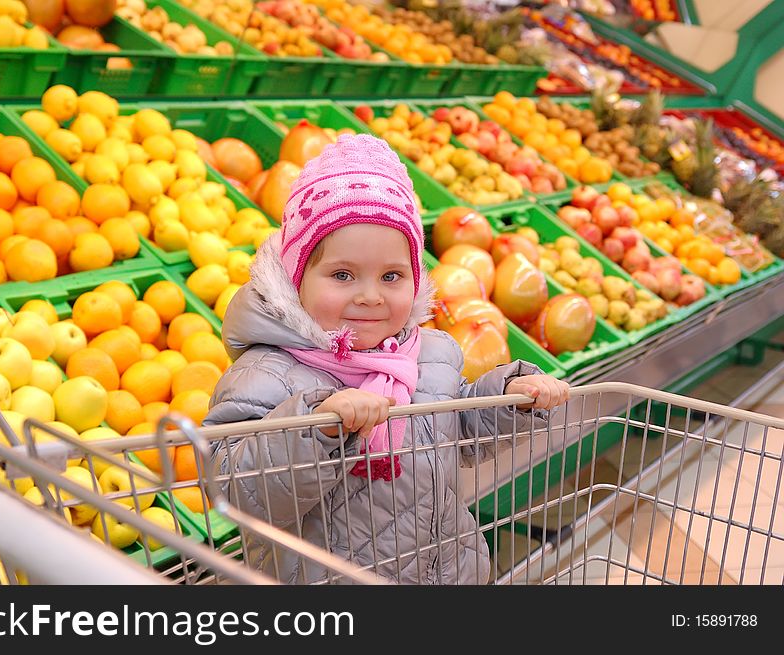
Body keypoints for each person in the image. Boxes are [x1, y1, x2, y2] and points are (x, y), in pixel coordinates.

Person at [202, 134, 569, 584]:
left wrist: (510, 399)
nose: (371, 296)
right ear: (297, 277)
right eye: (342, 275)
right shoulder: (267, 374)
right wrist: (317, 429)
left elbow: (459, 431)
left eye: (392, 276)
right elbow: (232, 489)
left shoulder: (430, 354)